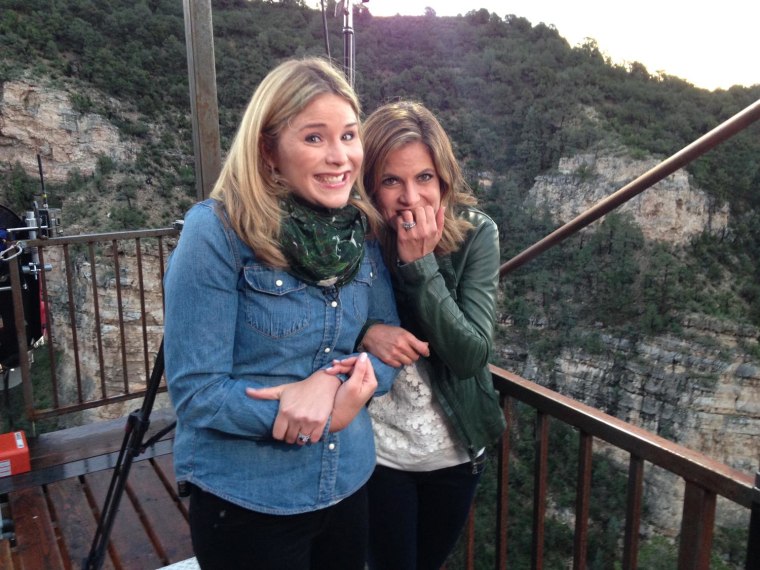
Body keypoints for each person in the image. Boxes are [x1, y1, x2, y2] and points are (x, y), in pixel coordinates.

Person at [163, 57, 401, 570]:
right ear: (268, 149)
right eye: (314, 138)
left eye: (349, 135)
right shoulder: (218, 234)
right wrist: (303, 411)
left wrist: (340, 388)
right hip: (251, 498)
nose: (340, 157)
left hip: (349, 482)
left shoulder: (359, 229)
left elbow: (389, 344)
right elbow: (197, 393)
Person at [355, 100, 507, 570]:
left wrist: (421, 267)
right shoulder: (353, 237)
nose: (410, 198)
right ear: (368, 185)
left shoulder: (476, 235)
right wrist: (365, 331)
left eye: (424, 178)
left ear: (443, 179)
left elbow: (470, 355)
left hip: (456, 452)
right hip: (379, 453)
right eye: (391, 181)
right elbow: (320, 319)